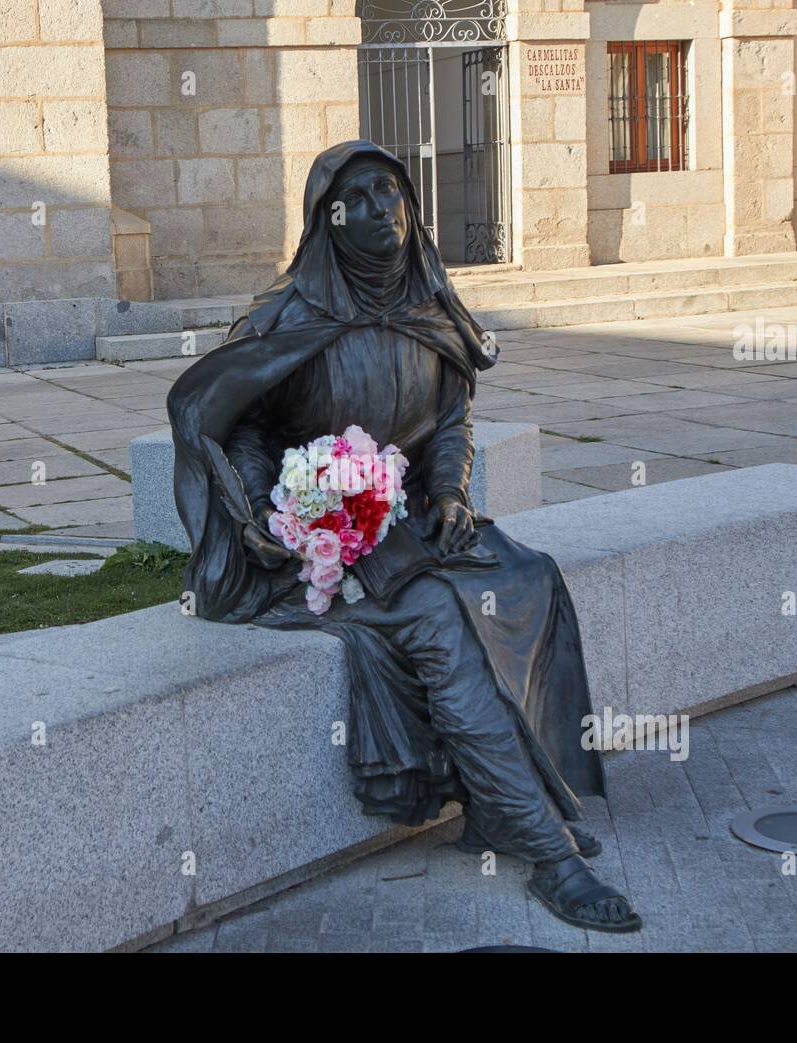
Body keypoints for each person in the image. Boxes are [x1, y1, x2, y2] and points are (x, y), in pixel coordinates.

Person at [167, 141, 641, 932]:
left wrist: (452, 493)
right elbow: (237, 428)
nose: (383, 208)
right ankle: (548, 853)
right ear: (330, 217)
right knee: (440, 623)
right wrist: (271, 518)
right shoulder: (286, 317)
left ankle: (496, 809)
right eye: (361, 196)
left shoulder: (430, 304)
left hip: (412, 520)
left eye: (394, 191)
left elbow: (451, 418)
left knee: (529, 579)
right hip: (315, 548)